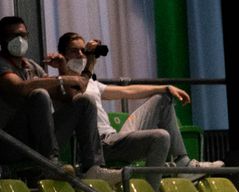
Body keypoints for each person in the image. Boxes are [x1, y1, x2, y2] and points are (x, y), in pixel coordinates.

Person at [51, 31, 217, 172]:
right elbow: (73, 96)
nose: (81, 55)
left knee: (162, 98)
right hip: (99, 143)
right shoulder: (61, 83)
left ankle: (183, 162)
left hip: (113, 137)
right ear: (63, 55)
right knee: (160, 137)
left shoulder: (92, 83)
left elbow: (127, 91)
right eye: (74, 51)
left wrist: (165, 87)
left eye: (83, 51)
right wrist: (86, 65)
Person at [0, 14, 104, 177]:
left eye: (23, 35)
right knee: (39, 94)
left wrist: (64, 68)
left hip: (37, 140)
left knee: (84, 101)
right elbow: (20, 87)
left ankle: (93, 168)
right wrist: (61, 79)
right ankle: (50, 163)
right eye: (14, 36)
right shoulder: (2, 64)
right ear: (2, 40)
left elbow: (71, 95)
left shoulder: (31, 66)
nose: (19, 40)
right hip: (11, 142)